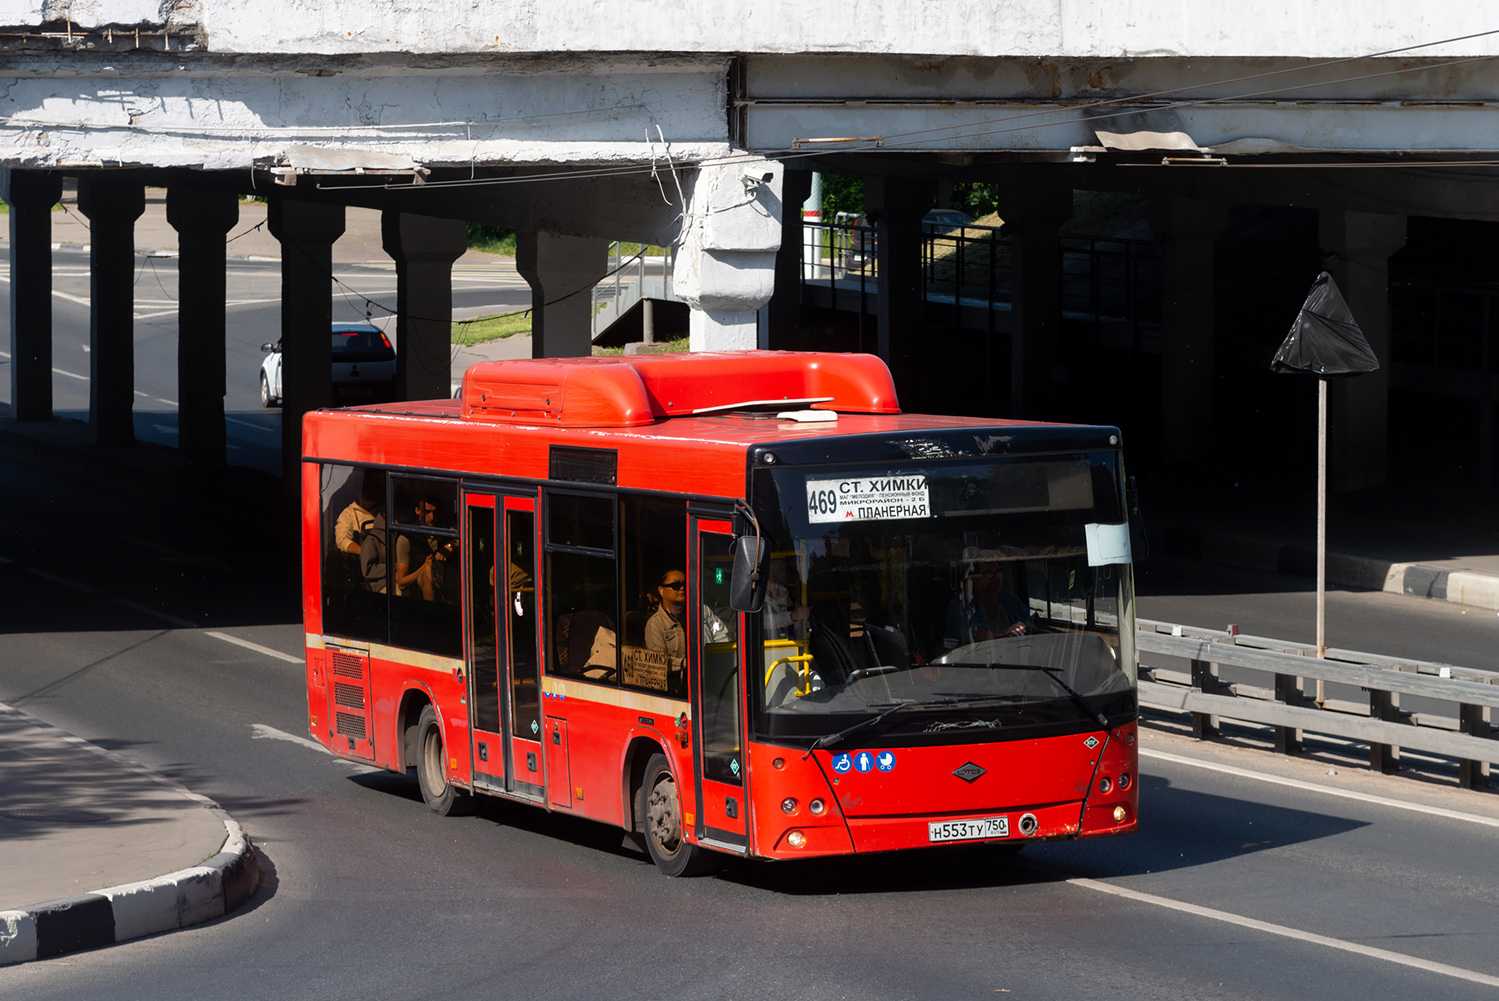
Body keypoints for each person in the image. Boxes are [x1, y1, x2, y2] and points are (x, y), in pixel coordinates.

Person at [944, 548, 1032, 649]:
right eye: (988, 573)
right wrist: (1006, 635)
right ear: (973, 578)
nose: (995, 577)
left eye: (998, 572)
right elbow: (977, 633)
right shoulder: (962, 604)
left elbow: (1029, 624)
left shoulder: (1011, 601)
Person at [645, 569, 730, 659]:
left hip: (710, 670)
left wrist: (718, 659)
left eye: (684, 584)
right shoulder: (655, 623)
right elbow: (660, 661)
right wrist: (691, 664)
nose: (682, 588)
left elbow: (722, 637)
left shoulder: (702, 610)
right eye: (675, 585)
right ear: (661, 590)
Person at [395, 498, 454, 600]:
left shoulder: (446, 531)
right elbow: (402, 583)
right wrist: (424, 567)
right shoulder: (406, 539)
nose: (432, 517)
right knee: (427, 570)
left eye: (434, 512)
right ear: (417, 511)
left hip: (444, 589)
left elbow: (462, 538)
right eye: (427, 512)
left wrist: (449, 546)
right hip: (416, 595)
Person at [334, 474, 383, 556]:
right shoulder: (348, 514)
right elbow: (342, 540)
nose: (369, 493)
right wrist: (365, 553)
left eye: (371, 489)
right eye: (364, 490)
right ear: (357, 492)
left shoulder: (386, 510)